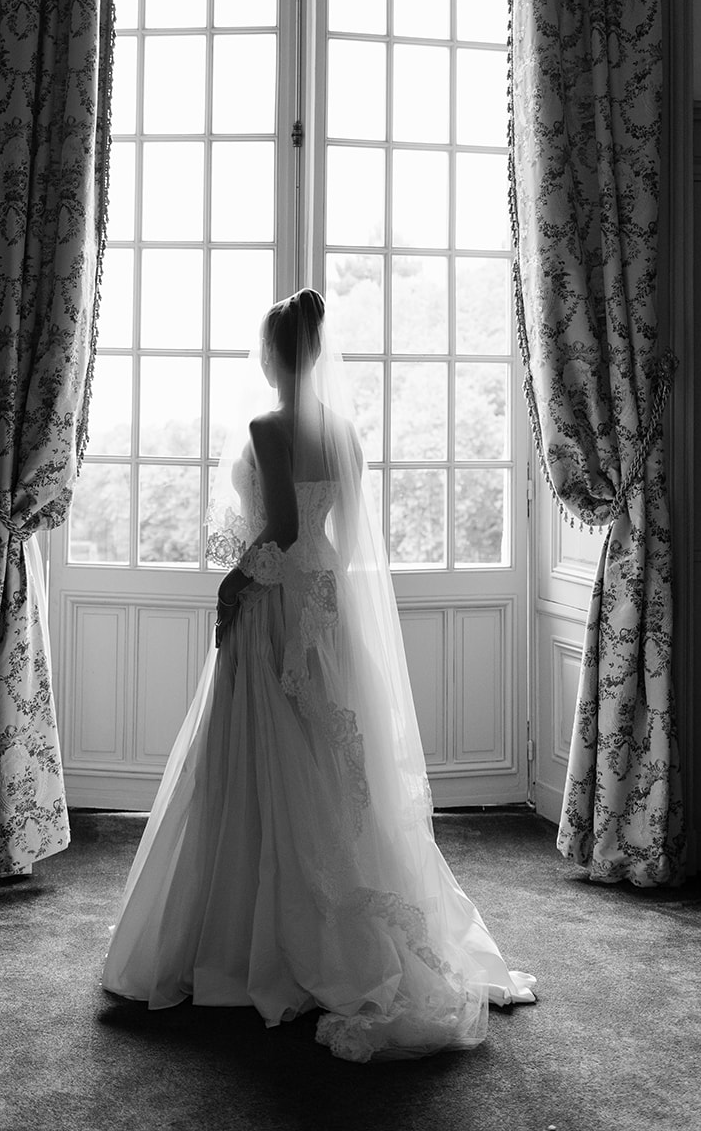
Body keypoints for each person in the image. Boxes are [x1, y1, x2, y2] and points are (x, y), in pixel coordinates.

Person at [102, 289, 536, 1062]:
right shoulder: (342, 432)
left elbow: (285, 528)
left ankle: (246, 939)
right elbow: (325, 530)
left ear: (276, 354)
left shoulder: (268, 426)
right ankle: (337, 921)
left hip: (277, 601)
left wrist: (234, 581)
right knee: (328, 760)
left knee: (260, 753)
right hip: (324, 602)